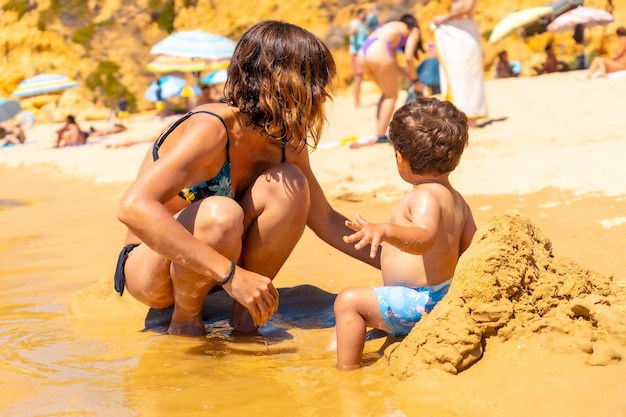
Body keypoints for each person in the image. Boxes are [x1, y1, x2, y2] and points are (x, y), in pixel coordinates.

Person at [114, 20, 380, 337]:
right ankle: (185, 323)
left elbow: (327, 220)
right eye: (317, 83)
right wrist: (231, 276)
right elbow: (132, 207)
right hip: (154, 271)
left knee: (292, 183)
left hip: (221, 271)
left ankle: (247, 316)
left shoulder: (286, 144)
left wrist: (405, 262)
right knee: (220, 213)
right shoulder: (211, 127)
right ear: (289, 84)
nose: (323, 95)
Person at [329, 97, 477, 370]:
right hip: (441, 295)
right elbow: (472, 249)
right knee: (339, 333)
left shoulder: (424, 197)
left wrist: (384, 231)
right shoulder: (457, 200)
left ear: (401, 158)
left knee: (348, 301)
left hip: (421, 302)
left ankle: (346, 375)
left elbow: (424, 237)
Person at [351, 13, 424, 148]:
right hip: (378, 51)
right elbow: (408, 57)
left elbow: (395, 66)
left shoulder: (390, 27)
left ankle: (379, 132)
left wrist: (409, 77)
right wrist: (415, 80)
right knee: (391, 95)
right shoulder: (413, 29)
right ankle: (380, 136)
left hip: (364, 53)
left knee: (386, 93)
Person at [432, 0, 487, 128]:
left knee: (469, 73)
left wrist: (445, 18)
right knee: (456, 74)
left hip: (465, 33)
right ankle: (458, 114)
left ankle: (471, 116)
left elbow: (467, 8)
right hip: (456, 34)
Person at [348, 8, 371, 108]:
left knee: (361, 78)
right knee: (358, 76)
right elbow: (350, 33)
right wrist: (359, 23)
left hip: (363, 54)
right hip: (356, 53)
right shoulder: (354, 23)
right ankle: (356, 102)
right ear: (358, 15)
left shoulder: (365, 26)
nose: (365, 16)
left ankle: (358, 101)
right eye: (363, 14)